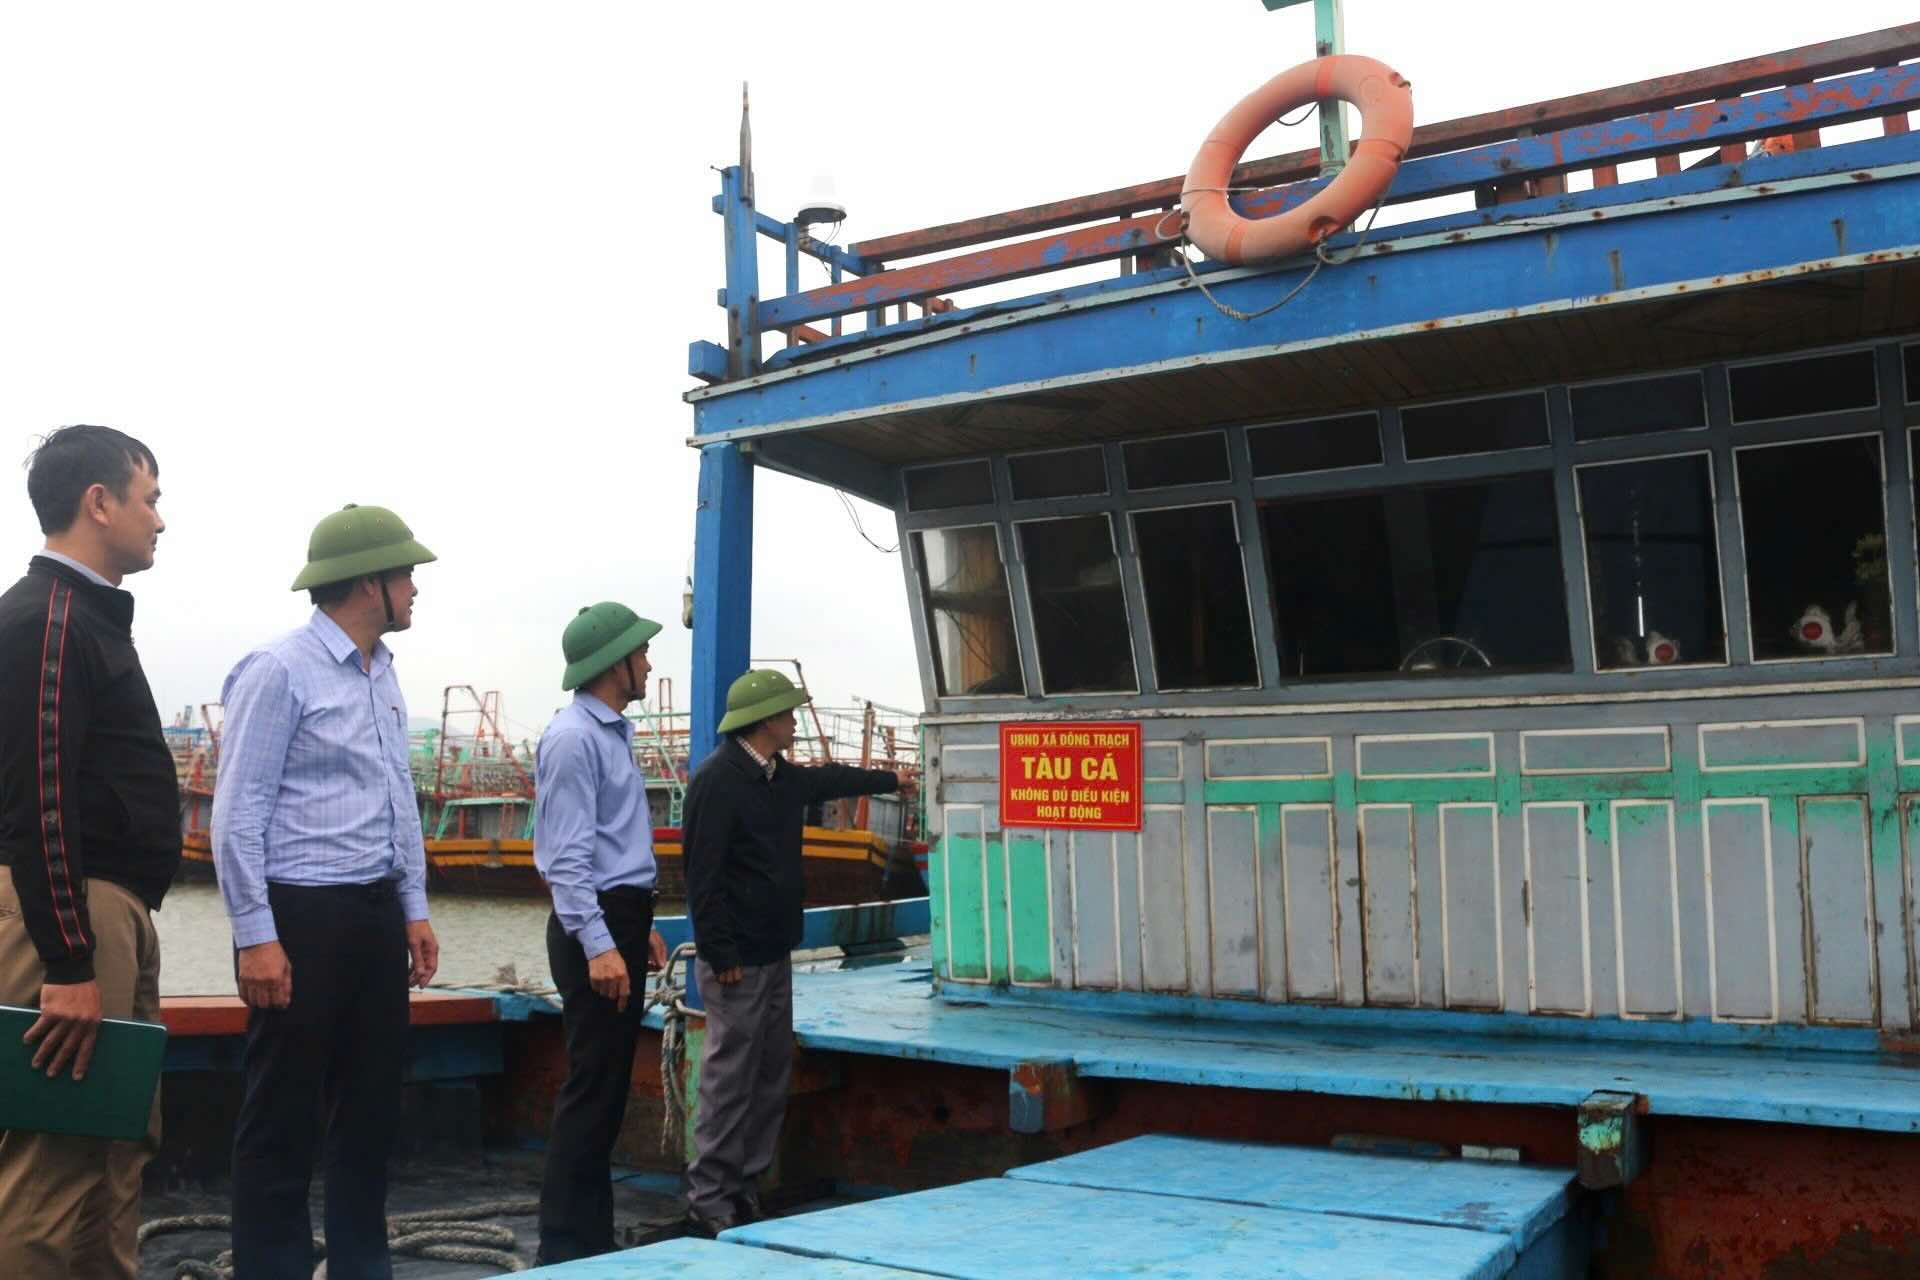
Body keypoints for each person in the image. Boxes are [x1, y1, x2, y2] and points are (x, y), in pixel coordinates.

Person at [211, 503, 441, 1279]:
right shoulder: (279, 670)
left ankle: (361, 1265)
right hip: (302, 916)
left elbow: (398, 801)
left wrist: (413, 910)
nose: (416, 589)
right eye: (407, 574)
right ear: (368, 582)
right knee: (282, 1113)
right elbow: (237, 813)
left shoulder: (385, 672)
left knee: (372, 1110)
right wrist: (255, 934)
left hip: (375, 916)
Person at [0, 426, 175, 1279]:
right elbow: (38, 801)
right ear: (97, 504)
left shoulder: (89, 620)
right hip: (72, 918)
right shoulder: (50, 619)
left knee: (113, 1159)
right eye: (149, 497)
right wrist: (68, 960)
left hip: (114, 912)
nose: (160, 520)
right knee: (54, 1172)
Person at [681, 669, 899, 1236]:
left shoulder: (779, 777)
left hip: (775, 951)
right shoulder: (717, 780)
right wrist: (720, 949)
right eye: (789, 712)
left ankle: (747, 1189)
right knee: (729, 1079)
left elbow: (828, 779)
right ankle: (711, 1199)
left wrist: (887, 779)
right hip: (736, 961)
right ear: (766, 720)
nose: (796, 720)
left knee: (769, 1075)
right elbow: (701, 877)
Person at [533, 602, 671, 1263]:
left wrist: (634, 926)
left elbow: (613, 845)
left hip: (618, 919)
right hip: (594, 925)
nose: (648, 662)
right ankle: (562, 1247)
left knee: (609, 1086)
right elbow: (566, 859)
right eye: (640, 653)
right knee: (591, 1086)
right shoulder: (573, 739)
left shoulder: (612, 734)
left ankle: (590, 1238)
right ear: (614, 663)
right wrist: (599, 943)